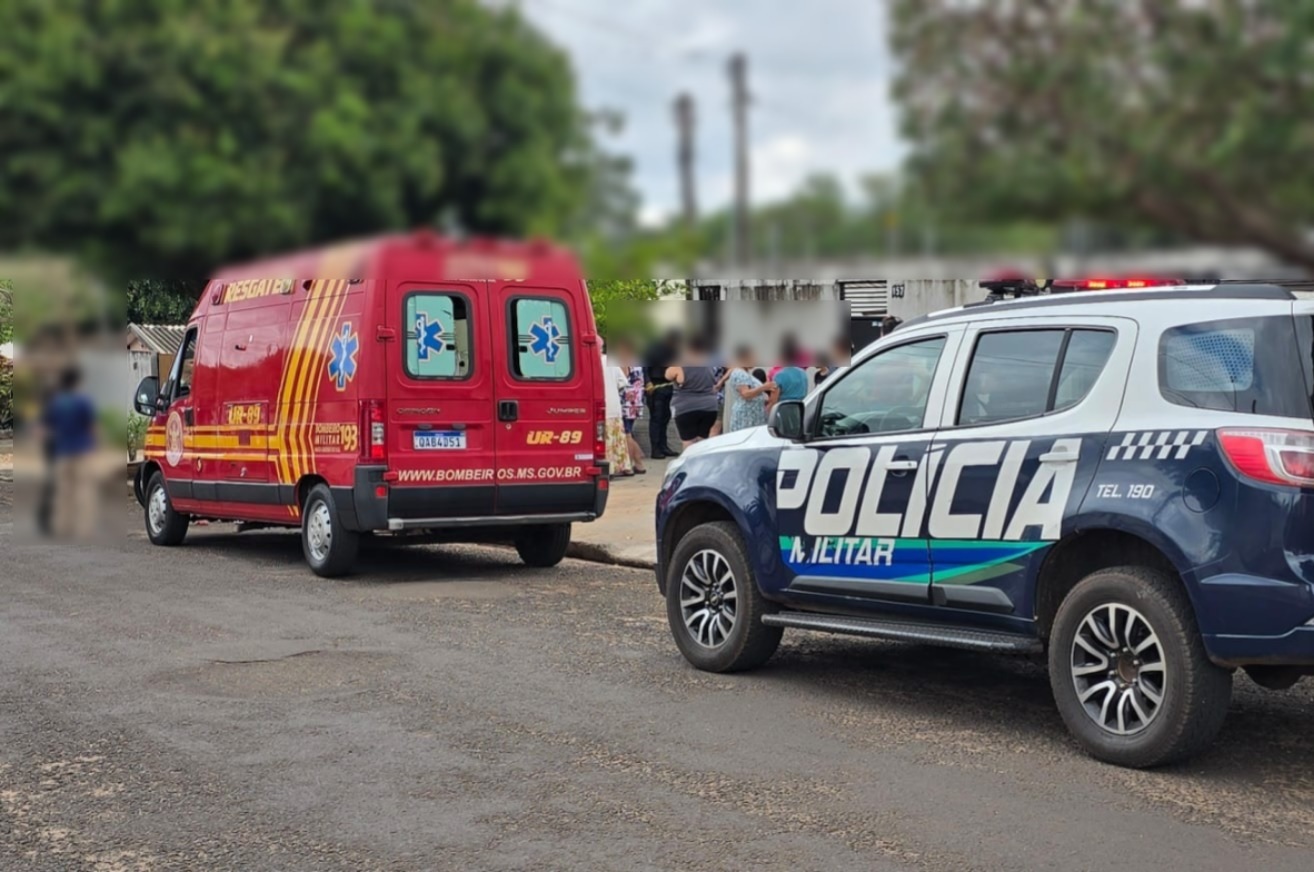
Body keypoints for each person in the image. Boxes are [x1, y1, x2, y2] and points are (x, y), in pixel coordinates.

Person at [40, 366, 97, 538]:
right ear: (77, 382)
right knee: (84, 490)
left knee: (63, 491)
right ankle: (84, 528)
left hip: (62, 451)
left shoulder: (56, 402)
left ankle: (62, 526)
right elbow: (92, 427)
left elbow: (45, 429)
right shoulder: (83, 401)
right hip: (82, 450)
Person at [665, 338, 720, 448]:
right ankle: (703, 463)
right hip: (709, 407)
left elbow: (668, 375)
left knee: (688, 441)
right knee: (703, 440)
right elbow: (715, 382)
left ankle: (690, 464)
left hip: (686, 407)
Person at [643, 330, 679, 458]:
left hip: (667, 386)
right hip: (655, 386)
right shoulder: (653, 349)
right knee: (656, 418)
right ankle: (655, 449)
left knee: (665, 417)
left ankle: (664, 446)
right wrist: (647, 382)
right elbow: (645, 367)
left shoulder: (673, 350)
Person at [601, 344, 634, 477]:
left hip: (600, 405)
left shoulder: (590, 359)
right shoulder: (611, 361)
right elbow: (623, 382)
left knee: (605, 439)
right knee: (618, 439)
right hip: (614, 406)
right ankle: (624, 466)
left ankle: (608, 468)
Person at [725, 346, 775, 432]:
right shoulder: (739, 374)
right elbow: (745, 394)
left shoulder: (745, 373)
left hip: (752, 416)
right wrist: (763, 387)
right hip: (745, 417)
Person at [616, 342, 647, 474]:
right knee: (628, 433)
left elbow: (622, 380)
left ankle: (637, 464)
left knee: (626, 434)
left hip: (625, 402)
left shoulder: (623, 361)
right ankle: (638, 461)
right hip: (636, 402)